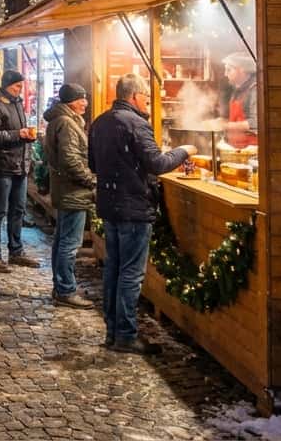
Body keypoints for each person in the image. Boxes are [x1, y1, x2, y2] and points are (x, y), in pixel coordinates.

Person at [89, 74, 195, 353]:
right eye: (146, 97)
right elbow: (158, 163)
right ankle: (125, 335)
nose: (148, 102)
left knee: (114, 269)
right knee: (130, 274)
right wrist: (184, 151)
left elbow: (93, 163)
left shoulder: (100, 122)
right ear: (134, 96)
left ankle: (113, 331)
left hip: (110, 205)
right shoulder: (137, 124)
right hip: (133, 207)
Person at [43, 83, 96, 308]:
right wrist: (91, 179)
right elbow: (70, 160)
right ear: (69, 102)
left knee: (62, 239)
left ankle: (61, 286)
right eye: (81, 99)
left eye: (85, 98)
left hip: (66, 189)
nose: (85, 102)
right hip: (72, 190)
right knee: (69, 243)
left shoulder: (64, 120)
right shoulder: (66, 122)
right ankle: (65, 289)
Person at [0, 69, 37, 273]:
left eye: (21, 86)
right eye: (16, 86)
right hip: (2, 166)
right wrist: (18, 134)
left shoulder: (17, 103)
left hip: (19, 166)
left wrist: (27, 136)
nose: (19, 89)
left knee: (18, 210)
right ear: (6, 85)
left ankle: (16, 251)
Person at [223, 52, 258, 148]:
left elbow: (256, 122)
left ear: (241, 70)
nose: (225, 74)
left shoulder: (255, 89)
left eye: (229, 70)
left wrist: (226, 126)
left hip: (251, 149)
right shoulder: (237, 90)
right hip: (236, 148)